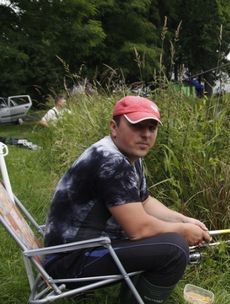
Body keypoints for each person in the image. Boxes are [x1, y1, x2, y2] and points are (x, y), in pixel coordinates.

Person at [43, 96, 212, 303]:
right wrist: (183, 232)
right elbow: (139, 230)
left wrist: (183, 220)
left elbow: (144, 201)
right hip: (68, 264)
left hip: (79, 251)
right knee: (175, 249)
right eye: (137, 127)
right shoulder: (112, 162)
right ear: (114, 127)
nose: (146, 135)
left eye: (152, 128)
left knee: (171, 237)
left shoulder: (128, 155)